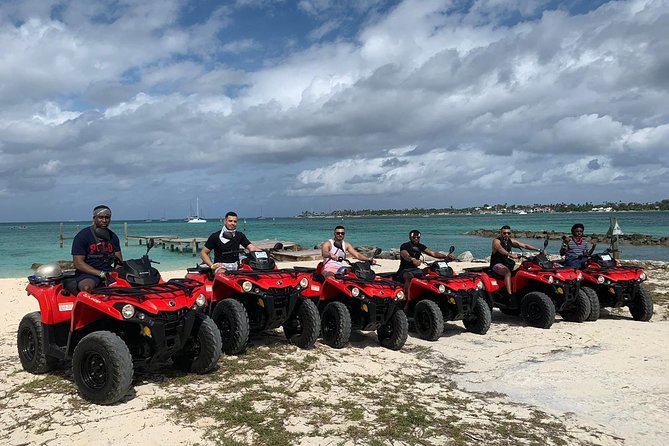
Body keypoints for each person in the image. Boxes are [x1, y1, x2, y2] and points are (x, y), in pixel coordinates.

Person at [71, 205, 123, 292]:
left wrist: (115, 273)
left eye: (107, 217)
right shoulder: (83, 236)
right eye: (101, 217)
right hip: (88, 274)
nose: (104, 220)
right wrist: (101, 274)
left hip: (108, 272)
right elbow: (78, 263)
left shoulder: (113, 237)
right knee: (86, 288)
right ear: (94, 218)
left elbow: (119, 261)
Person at [396, 229, 456, 296]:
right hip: (404, 269)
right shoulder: (404, 246)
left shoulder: (420, 246)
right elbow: (405, 255)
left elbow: (433, 253)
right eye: (414, 237)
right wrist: (412, 259)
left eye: (418, 237)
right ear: (410, 237)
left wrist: (445, 257)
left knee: (430, 274)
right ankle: (407, 299)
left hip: (415, 269)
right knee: (408, 277)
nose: (416, 239)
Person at [490, 225, 540, 296]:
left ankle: (521, 288)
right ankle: (510, 295)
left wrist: (538, 250)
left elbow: (524, 245)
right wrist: (510, 255)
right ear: (500, 233)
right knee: (507, 272)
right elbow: (500, 248)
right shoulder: (496, 241)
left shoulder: (510, 241)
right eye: (504, 233)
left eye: (508, 233)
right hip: (497, 264)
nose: (506, 235)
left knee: (523, 268)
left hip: (506, 262)